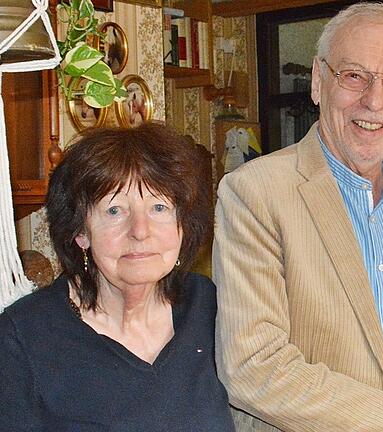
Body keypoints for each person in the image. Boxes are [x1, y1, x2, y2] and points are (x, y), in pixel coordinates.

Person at [214, 3, 383, 431]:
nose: (374, 101)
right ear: (318, 82)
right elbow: (254, 368)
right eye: (354, 76)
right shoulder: (255, 191)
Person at [0, 123, 235, 431]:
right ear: (80, 232)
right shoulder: (23, 336)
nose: (140, 231)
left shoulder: (207, 305)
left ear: (183, 225)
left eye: (159, 207)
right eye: (114, 211)